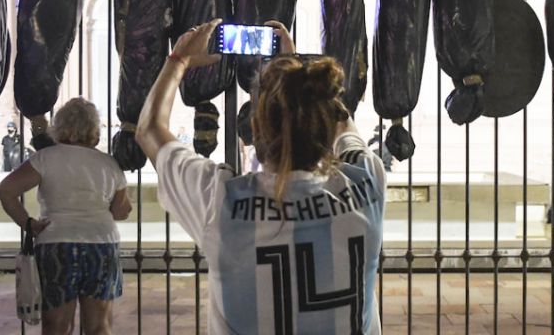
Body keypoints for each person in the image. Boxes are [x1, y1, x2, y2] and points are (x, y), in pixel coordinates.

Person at [136, 19, 386, 334]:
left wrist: (179, 60)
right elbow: (341, 122)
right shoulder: (366, 183)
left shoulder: (221, 202)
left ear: (254, 131)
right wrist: (295, 76)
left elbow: (148, 130)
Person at [0, 97, 132, 335]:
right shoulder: (109, 164)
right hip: (101, 243)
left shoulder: (45, 158)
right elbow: (121, 211)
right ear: (93, 129)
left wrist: (28, 223)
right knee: (99, 326)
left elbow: (6, 191)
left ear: (59, 127)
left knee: (57, 326)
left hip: (56, 243)